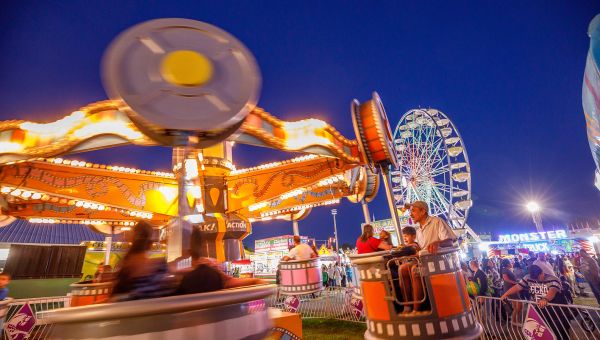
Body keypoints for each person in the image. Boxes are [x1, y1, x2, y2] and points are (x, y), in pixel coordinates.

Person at [399, 201, 456, 313]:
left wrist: (437, 243)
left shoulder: (437, 222)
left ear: (423, 211)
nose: (411, 214)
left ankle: (417, 309)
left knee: (415, 270)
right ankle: (407, 306)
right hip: (423, 260)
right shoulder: (418, 230)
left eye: (413, 211)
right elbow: (422, 249)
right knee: (402, 269)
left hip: (437, 261)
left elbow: (450, 241)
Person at [501, 265, 571, 340]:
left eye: (539, 277)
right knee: (542, 331)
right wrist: (505, 294)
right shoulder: (528, 277)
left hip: (556, 310)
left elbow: (553, 290)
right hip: (540, 309)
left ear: (542, 273)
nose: (538, 280)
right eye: (535, 279)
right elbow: (518, 287)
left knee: (559, 331)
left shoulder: (553, 279)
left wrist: (545, 299)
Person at [111, 221, 175, 301]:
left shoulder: (125, 267)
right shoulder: (160, 267)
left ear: (133, 240)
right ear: (150, 244)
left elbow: (117, 298)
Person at [500, 259, 522, 325]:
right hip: (510, 289)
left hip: (512, 288)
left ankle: (514, 320)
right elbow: (505, 279)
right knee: (519, 305)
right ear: (507, 264)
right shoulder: (504, 270)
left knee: (516, 306)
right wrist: (515, 283)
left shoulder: (507, 269)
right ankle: (514, 320)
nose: (511, 263)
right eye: (510, 262)